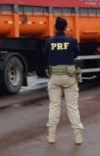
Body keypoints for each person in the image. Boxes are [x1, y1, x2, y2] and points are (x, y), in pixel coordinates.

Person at [43, 17, 83, 145]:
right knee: (72, 107)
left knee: (54, 106)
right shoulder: (71, 40)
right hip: (69, 76)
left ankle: (51, 136)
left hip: (54, 77)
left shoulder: (49, 41)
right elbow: (76, 54)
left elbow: (45, 54)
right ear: (66, 28)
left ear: (55, 27)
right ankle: (78, 136)